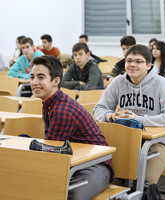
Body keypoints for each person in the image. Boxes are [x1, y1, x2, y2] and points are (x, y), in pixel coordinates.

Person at [93, 44, 165, 185]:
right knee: (108, 178)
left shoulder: (161, 83)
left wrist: (137, 119)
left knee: (144, 182)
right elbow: (98, 110)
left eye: (138, 61)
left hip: (156, 144)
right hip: (124, 141)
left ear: (148, 65)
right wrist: (111, 116)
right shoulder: (118, 82)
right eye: (129, 61)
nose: (132, 65)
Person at [30, 55, 113, 200]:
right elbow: (52, 148)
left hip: (94, 166)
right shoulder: (49, 102)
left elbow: (52, 153)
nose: (34, 82)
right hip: (72, 162)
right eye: (32, 77)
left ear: (56, 81)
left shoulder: (63, 110)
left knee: (69, 196)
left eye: (41, 77)